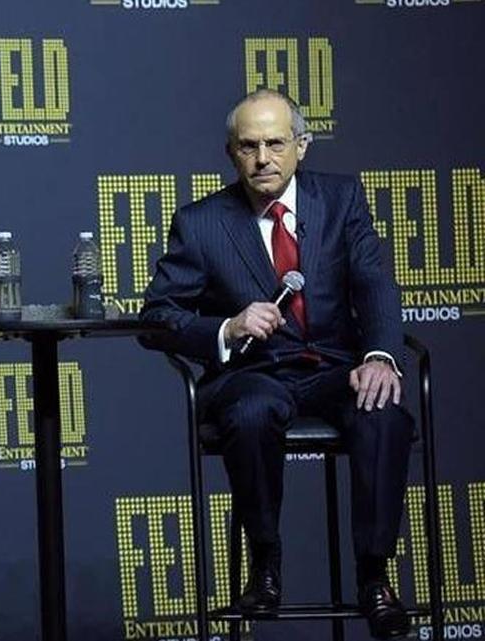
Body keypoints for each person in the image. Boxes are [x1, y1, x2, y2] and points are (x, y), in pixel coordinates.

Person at [139, 89, 413, 639]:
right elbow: (156, 319)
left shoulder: (341, 200)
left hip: (336, 367)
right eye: (248, 146)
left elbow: (374, 281)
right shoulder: (201, 223)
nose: (262, 158)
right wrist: (226, 327)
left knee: (382, 411)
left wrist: (381, 356)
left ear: (301, 147)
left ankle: (374, 577)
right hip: (252, 375)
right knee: (252, 412)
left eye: (275, 143)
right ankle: (265, 565)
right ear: (230, 153)